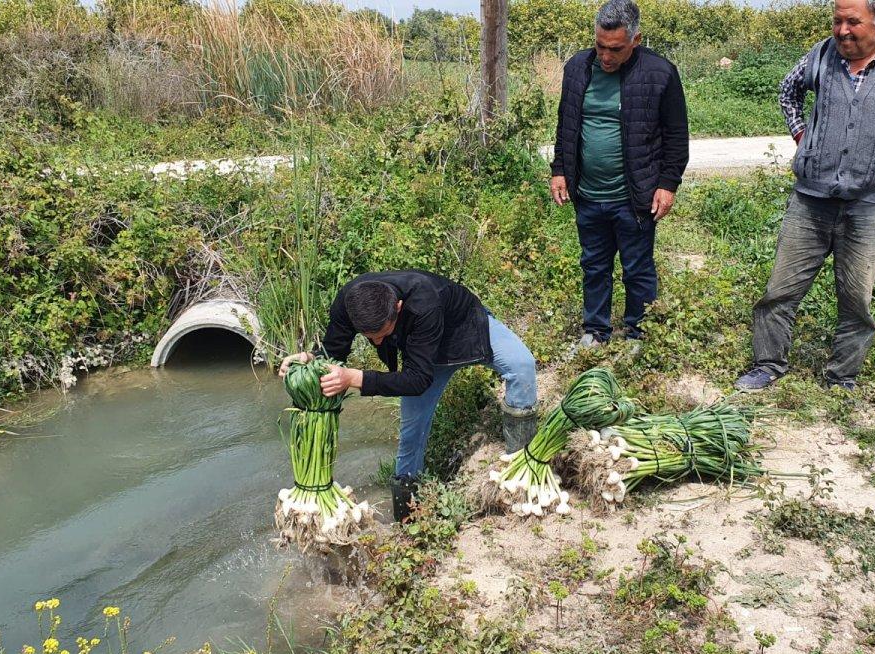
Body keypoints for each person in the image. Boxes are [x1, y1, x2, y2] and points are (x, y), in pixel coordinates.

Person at [735, 0, 875, 392]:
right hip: (811, 198)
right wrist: (799, 134)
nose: (842, 30)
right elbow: (788, 91)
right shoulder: (821, 55)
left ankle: (842, 375)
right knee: (780, 289)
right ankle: (768, 363)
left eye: (852, 22)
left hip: (873, 204)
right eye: (837, 20)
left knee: (857, 297)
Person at [279, 270, 537, 521]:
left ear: (398, 307)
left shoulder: (425, 300)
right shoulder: (351, 301)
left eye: (382, 335)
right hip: (422, 355)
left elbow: (418, 381)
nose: (378, 343)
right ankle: (407, 515)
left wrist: (355, 378)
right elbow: (334, 351)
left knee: (521, 365)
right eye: (370, 338)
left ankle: (520, 462)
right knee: (411, 435)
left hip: (464, 328)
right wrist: (309, 359)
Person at [549, 0, 689, 350]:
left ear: (635, 40)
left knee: (637, 268)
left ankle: (638, 333)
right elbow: (566, 124)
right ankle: (595, 331)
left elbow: (676, 135)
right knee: (594, 266)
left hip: (635, 196)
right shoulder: (578, 68)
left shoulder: (660, 73)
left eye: (615, 49)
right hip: (588, 193)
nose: (606, 56)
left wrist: (667, 185)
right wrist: (560, 170)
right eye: (600, 46)